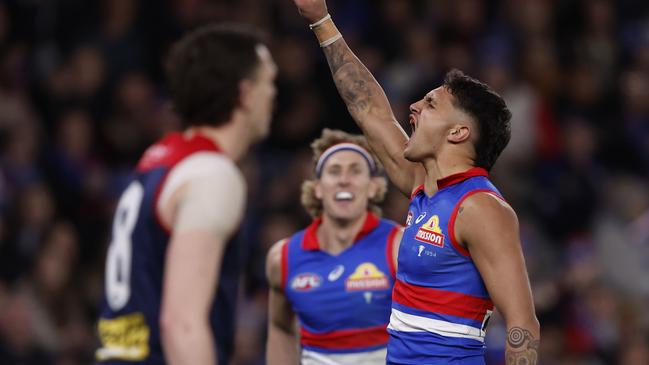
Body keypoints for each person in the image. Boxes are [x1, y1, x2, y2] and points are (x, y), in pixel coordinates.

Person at [292, 1, 540, 364]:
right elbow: (368, 110)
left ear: (458, 132)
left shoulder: (480, 208)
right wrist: (322, 22)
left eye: (431, 104)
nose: (413, 108)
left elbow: (523, 325)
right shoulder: (424, 186)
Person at [95, 24, 277, 365]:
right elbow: (182, 324)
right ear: (246, 94)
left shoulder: (158, 161)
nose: (273, 95)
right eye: (269, 82)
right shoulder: (213, 175)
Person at [266, 129, 403, 365]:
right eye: (334, 171)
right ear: (318, 187)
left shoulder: (399, 246)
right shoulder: (283, 257)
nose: (344, 180)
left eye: (355, 171)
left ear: (373, 187)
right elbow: (280, 328)